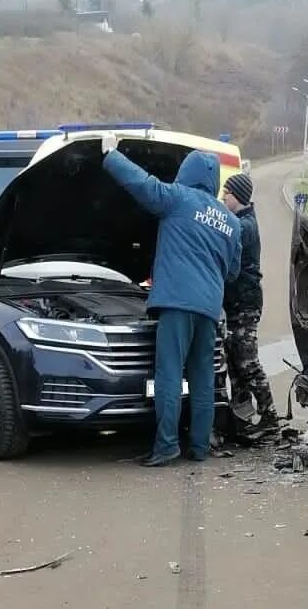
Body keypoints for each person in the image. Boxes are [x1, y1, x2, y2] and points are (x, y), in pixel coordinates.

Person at [100, 135, 241, 467]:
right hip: (209, 309)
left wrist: (111, 155)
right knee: (203, 378)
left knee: (169, 375)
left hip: (178, 303)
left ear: (187, 173)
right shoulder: (231, 223)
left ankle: (166, 446)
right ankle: (200, 448)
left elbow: (143, 184)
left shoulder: (178, 199)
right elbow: (232, 272)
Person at [219, 173, 276, 435]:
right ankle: (242, 414)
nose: (222, 198)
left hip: (245, 303)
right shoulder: (240, 221)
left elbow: (225, 236)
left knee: (247, 363)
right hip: (234, 303)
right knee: (233, 362)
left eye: (226, 194)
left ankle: (269, 416)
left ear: (238, 197)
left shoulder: (244, 227)